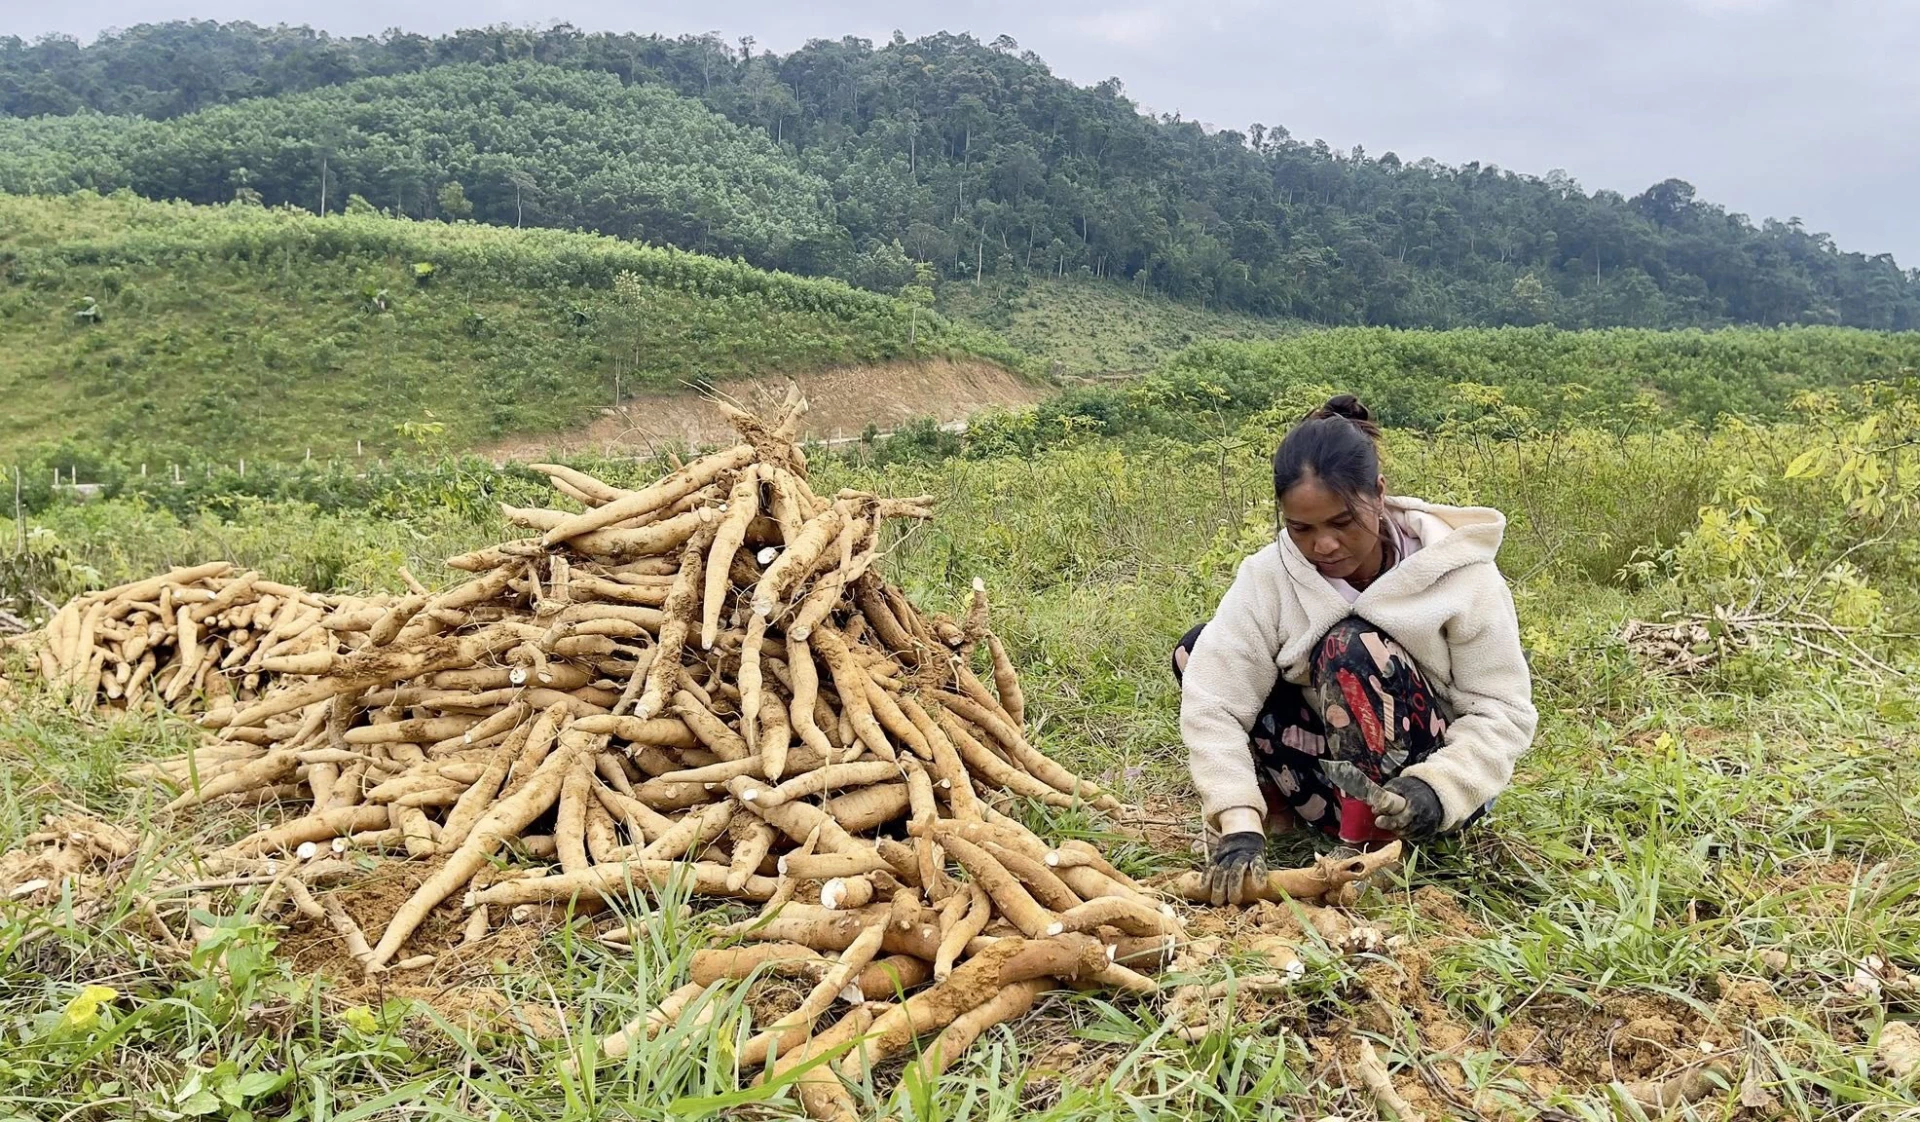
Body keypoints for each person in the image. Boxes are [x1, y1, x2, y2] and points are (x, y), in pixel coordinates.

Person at [1173, 394, 1536, 905]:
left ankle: (1373, 852)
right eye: (1301, 529)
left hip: (1422, 795)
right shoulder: (1270, 576)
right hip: (1326, 780)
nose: (1323, 545)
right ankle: (1274, 815)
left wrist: (1436, 788)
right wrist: (1237, 822)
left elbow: (1503, 710)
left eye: (1342, 523)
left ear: (1379, 494)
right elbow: (1214, 700)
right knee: (1199, 653)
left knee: (1353, 647)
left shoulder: (1462, 577)